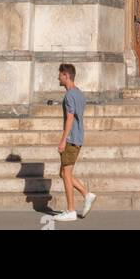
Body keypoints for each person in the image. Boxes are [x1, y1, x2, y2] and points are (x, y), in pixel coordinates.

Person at [52, 63, 95, 222]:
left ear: (66, 75)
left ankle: (71, 210)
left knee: (67, 174)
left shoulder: (69, 95)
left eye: (60, 75)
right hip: (78, 137)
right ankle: (86, 194)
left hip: (71, 139)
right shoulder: (79, 94)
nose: (58, 77)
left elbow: (70, 118)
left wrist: (63, 140)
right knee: (63, 173)